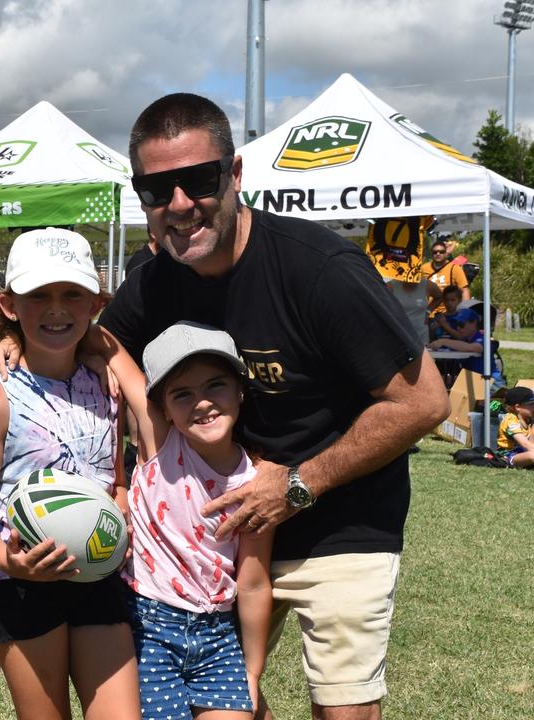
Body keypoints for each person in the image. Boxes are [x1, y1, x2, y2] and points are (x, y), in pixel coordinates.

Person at [98, 93, 448, 720]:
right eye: (158, 190)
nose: (180, 205)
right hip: (218, 541)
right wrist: (9, 335)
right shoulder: (155, 281)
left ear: (234, 176)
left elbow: (422, 402)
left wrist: (299, 485)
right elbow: (100, 341)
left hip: (338, 522)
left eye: (199, 181)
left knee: (342, 709)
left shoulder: (319, 270)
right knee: (231, 705)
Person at [0, 227, 141, 720]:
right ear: (10, 305)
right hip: (20, 585)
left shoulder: (107, 386)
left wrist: (119, 508)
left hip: (98, 575)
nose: (57, 308)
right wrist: (10, 561)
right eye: (39, 296)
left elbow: (116, 480)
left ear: (95, 303)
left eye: (71, 294)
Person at [113, 321, 273, 719]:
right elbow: (111, 351)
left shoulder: (259, 487)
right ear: (162, 408)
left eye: (215, 385)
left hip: (217, 637)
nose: (201, 402)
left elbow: (253, 583)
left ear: (240, 388)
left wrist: (252, 673)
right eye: (182, 394)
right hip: (148, 627)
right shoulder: (160, 442)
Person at [422, 240, 469, 316]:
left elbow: (464, 290)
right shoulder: (424, 268)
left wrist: (464, 312)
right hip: (428, 312)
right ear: (432, 253)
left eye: (441, 252)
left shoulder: (455, 268)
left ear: (446, 253)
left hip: (448, 312)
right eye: (435, 252)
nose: (438, 254)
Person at [496, 386, 534, 467]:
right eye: (531, 404)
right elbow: (525, 444)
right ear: (517, 407)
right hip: (508, 455)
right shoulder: (510, 420)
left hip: (524, 452)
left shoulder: (528, 419)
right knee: (532, 456)